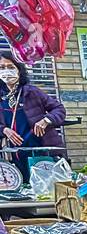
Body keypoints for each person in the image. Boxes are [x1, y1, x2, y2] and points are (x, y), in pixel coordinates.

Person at [0, 55, 67, 188]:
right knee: (19, 189)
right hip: (13, 154)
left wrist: (46, 120)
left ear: (19, 70)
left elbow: (59, 109)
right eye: (2, 68)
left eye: (11, 67)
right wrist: (4, 129)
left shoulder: (31, 92)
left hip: (40, 150)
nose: (6, 71)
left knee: (44, 188)